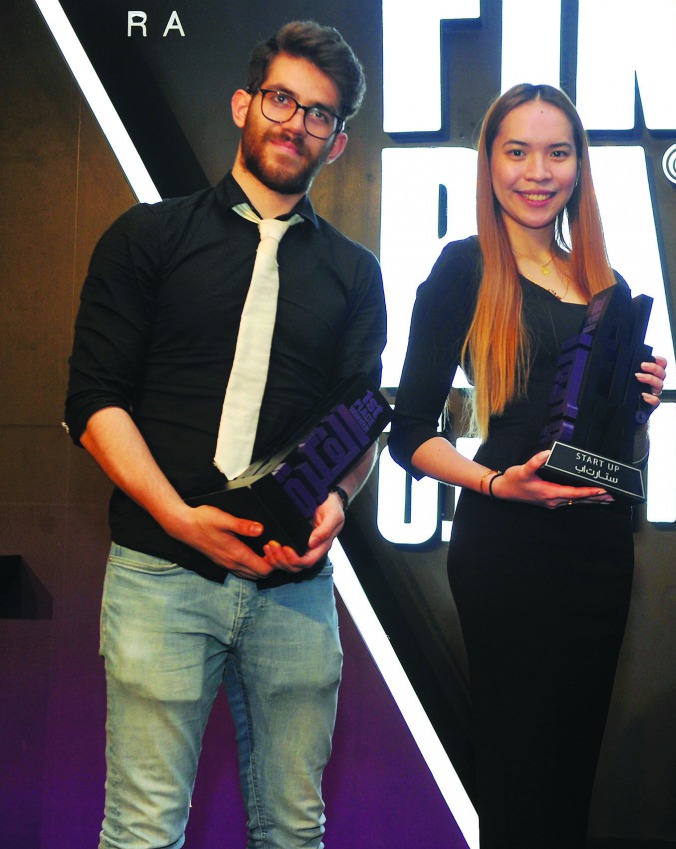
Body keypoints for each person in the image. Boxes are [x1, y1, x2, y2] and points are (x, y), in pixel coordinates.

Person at [64, 21, 386, 848]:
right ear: (244, 104)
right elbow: (93, 402)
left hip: (295, 588)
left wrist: (340, 500)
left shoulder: (355, 274)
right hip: (160, 575)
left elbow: (359, 424)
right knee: (142, 831)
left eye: (319, 113)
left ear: (338, 142)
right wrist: (180, 519)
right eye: (281, 99)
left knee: (294, 832)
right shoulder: (147, 237)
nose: (295, 123)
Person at [388, 83, 668, 848]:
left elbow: (618, 449)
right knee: (518, 777)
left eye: (557, 152)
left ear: (579, 165)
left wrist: (638, 408)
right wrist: (493, 482)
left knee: (571, 777)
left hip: (600, 550)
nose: (538, 172)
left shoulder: (605, 286)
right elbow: (408, 433)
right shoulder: (464, 267)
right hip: (509, 548)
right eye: (517, 152)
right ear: (490, 162)